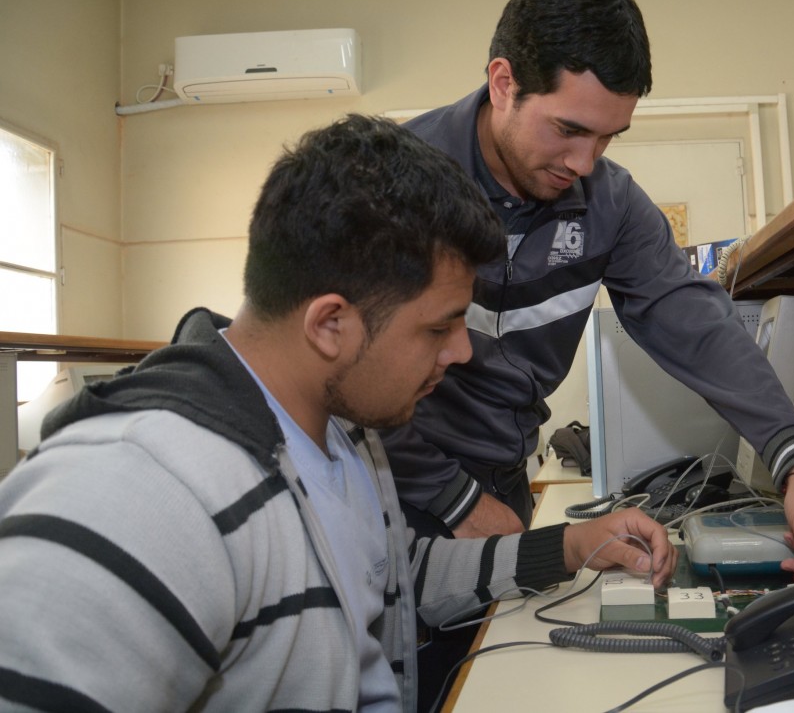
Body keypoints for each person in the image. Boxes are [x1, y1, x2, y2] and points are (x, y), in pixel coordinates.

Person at [0, 114, 676, 713]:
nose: (462, 351)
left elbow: (391, 577)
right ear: (330, 324)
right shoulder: (132, 497)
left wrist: (568, 547)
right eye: (440, 327)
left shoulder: (344, 437)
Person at [383, 0, 794, 582]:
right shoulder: (393, 179)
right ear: (504, 84)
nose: (584, 163)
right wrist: (453, 498)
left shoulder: (611, 202)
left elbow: (696, 325)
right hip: (397, 479)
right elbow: (341, 370)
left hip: (505, 477)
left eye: (607, 137)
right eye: (569, 129)